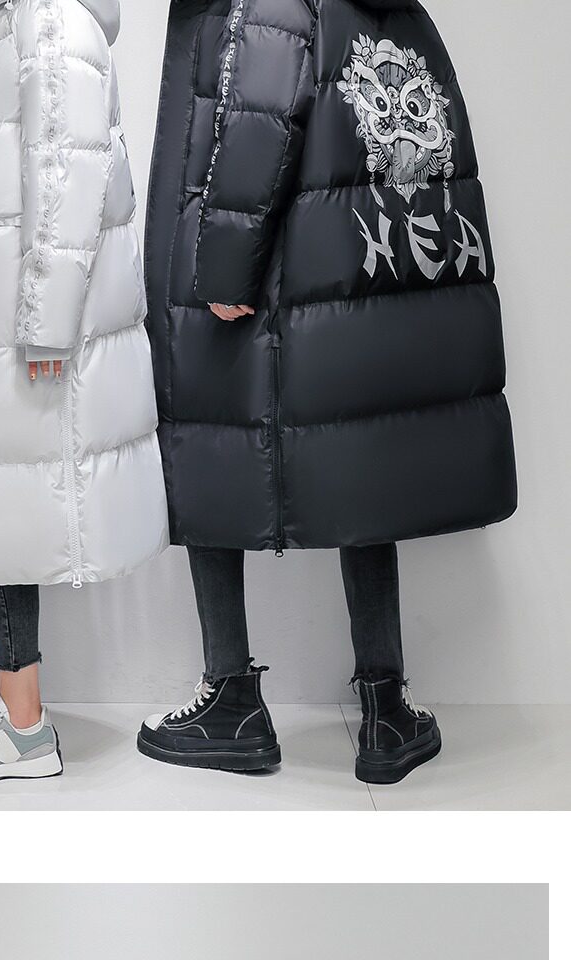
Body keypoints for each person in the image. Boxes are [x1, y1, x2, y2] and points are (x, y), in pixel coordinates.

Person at [140, 0, 517, 783]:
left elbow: (258, 115)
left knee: (209, 447)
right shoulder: (391, 10)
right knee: (359, 468)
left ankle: (230, 698)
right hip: (345, 265)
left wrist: (223, 269)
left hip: (263, 271)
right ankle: (386, 710)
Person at [0, 0, 168, 786]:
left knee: (9, 511)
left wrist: (47, 322)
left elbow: (67, 175)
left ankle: (22, 722)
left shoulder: (49, 21)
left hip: (23, 326)